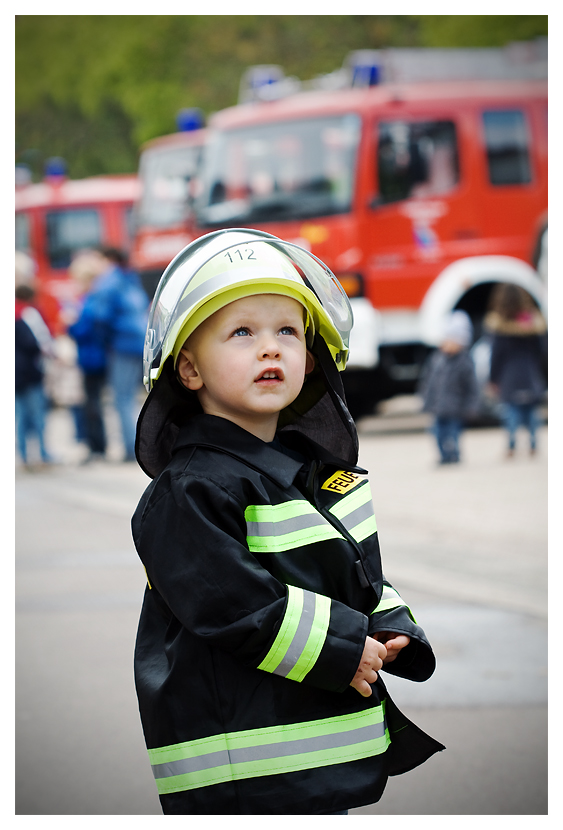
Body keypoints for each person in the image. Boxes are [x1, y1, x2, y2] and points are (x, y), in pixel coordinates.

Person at [132, 229, 444, 815]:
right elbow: (237, 604)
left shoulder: (312, 476)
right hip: (243, 772)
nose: (270, 348)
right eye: (243, 331)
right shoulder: (188, 491)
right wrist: (343, 648)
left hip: (315, 758)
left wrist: (391, 627)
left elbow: (352, 571)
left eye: (288, 331)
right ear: (190, 370)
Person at [91, 247, 149, 462]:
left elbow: (99, 315)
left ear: (108, 259)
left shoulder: (109, 281)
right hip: (139, 342)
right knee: (132, 398)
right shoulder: (130, 278)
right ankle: (138, 445)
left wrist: (103, 341)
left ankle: (130, 449)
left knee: (122, 399)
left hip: (122, 344)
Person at [484, 283, 547, 457]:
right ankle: (533, 445)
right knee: (532, 412)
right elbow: (542, 351)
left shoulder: (499, 326)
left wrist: (492, 379)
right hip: (530, 373)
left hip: (509, 375)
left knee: (512, 411)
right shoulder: (533, 323)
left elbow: (495, 356)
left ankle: (511, 445)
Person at [417, 310, 480, 465]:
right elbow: (428, 382)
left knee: (453, 434)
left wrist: (471, 406)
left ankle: (454, 454)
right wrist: (425, 399)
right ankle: (443, 455)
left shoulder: (465, 363)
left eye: (452, 340)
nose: (447, 343)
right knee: (437, 433)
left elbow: (472, 387)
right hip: (438, 407)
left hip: (455, 409)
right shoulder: (437, 360)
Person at [67, 250, 109, 462]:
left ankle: (97, 446)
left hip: (92, 358)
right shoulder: (93, 298)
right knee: (92, 403)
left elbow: (85, 329)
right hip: (93, 356)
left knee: (92, 404)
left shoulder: (90, 300)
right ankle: (96, 445)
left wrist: (71, 325)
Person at [15, 283, 54, 468]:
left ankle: (23, 455)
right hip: (29, 372)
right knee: (38, 415)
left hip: (15, 375)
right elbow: (37, 341)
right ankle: (43, 453)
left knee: (20, 417)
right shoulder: (28, 314)